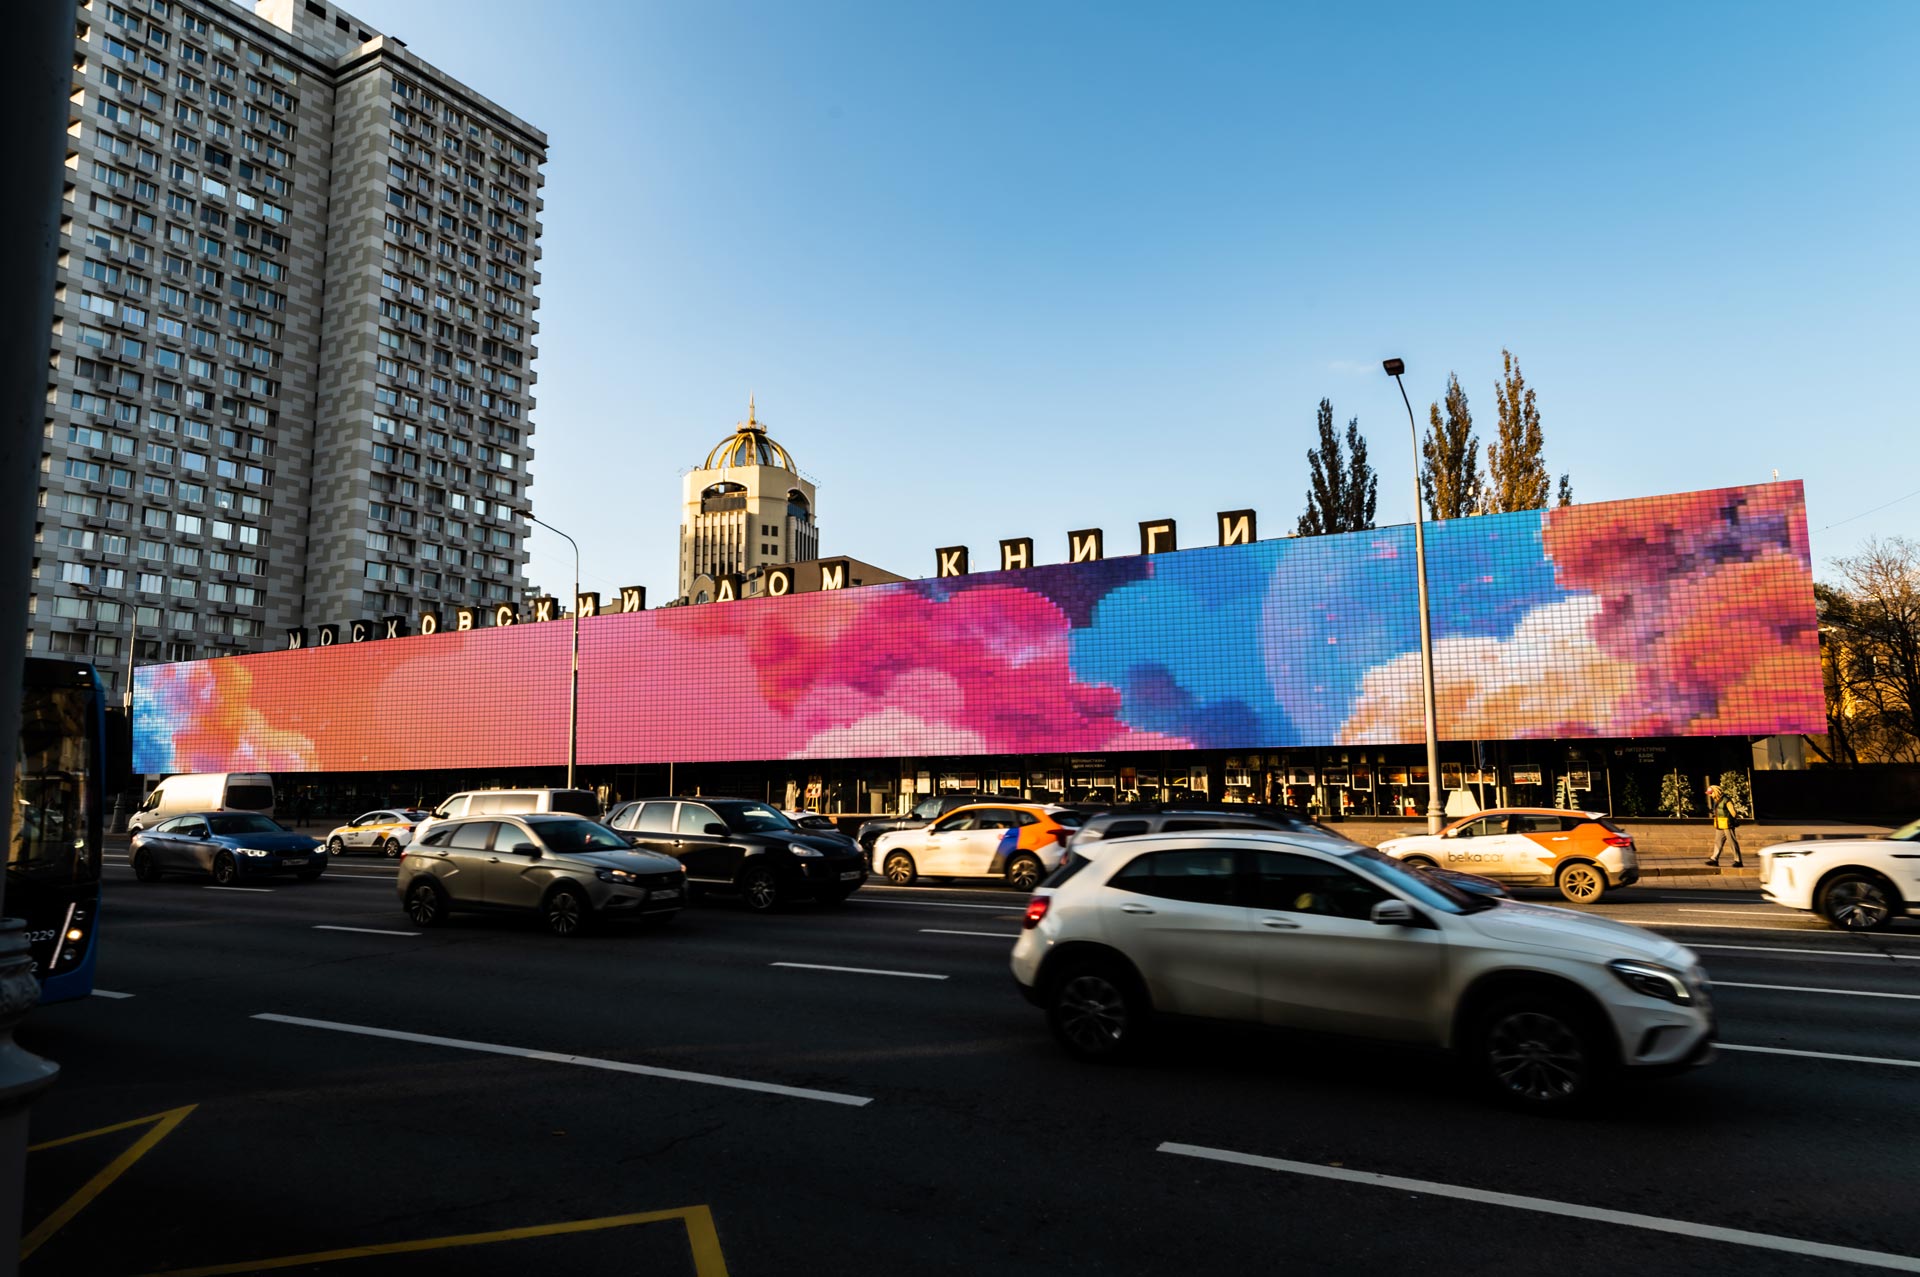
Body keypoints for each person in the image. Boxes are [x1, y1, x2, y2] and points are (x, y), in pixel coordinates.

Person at [1705, 784, 1743, 867]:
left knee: (1732, 842)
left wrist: (1734, 820)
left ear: (1716, 792)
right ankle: (1714, 859)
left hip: (1727, 824)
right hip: (1719, 824)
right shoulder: (1716, 800)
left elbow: (1733, 812)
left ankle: (1738, 860)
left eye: (1711, 793)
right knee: (1718, 842)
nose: (1710, 795)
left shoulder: (1726, 800)